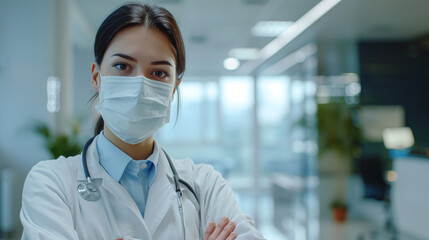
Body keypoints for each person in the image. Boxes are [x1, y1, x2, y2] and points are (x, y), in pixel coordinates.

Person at [20, 3, 265, 240]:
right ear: (97, 77)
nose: (140, 87)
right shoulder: (51, 183)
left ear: (173, 89)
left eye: (158, 73)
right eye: (122, 66)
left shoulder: (204, 184)